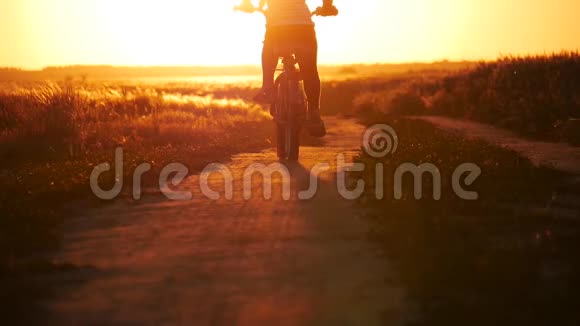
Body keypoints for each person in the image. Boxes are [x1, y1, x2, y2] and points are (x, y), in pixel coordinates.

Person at [248, 0, 338, 137]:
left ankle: (268, 87)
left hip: (277, 29)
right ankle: (313, 111)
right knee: (310, 70)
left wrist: (247, 5)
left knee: (268, 47)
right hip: (303, 28)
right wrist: (327, 7)